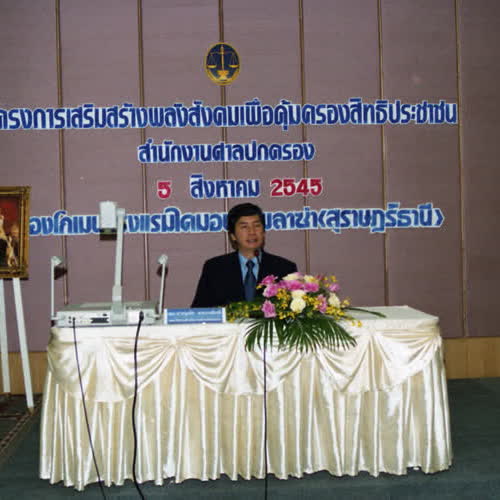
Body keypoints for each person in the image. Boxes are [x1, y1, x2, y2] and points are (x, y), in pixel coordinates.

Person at [192, 203, 297, 307]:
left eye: (257, 226)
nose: (252, 232)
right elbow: (200, 311)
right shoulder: (215, 268)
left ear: (264, 232)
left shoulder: (284, 269)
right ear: (233, 235)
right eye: (244, 227)